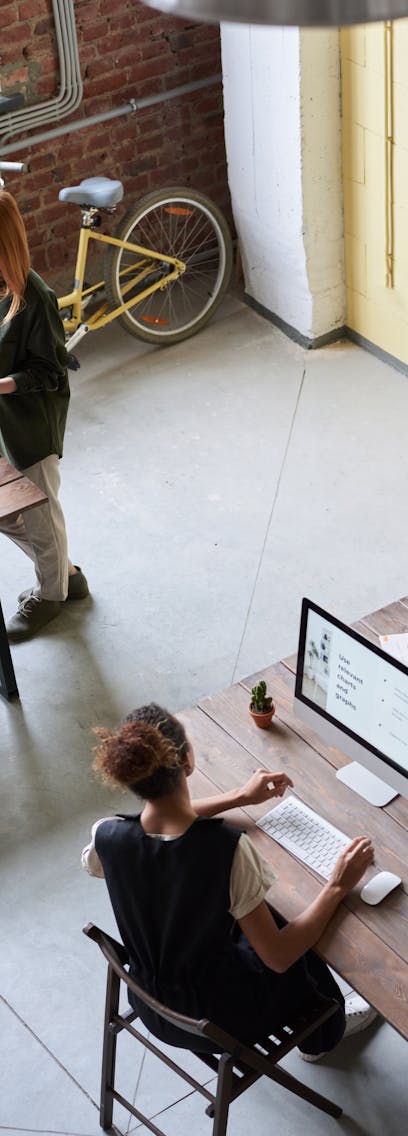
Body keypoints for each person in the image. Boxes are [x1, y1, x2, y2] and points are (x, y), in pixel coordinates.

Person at [82, 703, 377, 1061]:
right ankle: (321, 1041)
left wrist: (240, 797)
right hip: (218, 1020)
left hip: (150, 1000)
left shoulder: (106, 835)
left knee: (248, 913)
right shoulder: (228, 851)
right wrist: (337, 885)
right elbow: (280, 957)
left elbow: (161, 826)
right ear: (188, 760)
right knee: (301, 946)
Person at [0, 188, 88, 639]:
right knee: (8, 511)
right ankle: (65, 574)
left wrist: (2, 385)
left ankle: (50, 596)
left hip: (31, 422)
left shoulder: (34, 296)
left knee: (39, 510)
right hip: (3, 424)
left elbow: (51, 372)